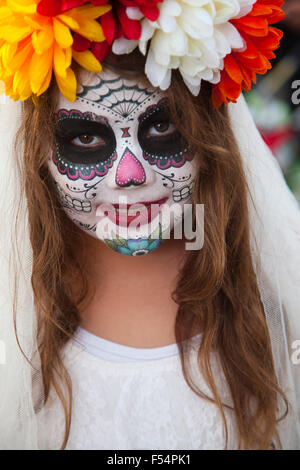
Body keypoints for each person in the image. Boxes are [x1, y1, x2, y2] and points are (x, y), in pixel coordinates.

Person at [0, 0, 299, 450]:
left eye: (162, 129)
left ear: (210, 136)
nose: (130, 175)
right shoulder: (14, 310)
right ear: (36, 152)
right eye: (85, 137)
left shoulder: (277, 302)